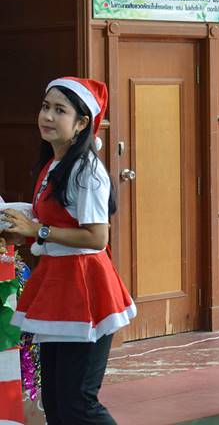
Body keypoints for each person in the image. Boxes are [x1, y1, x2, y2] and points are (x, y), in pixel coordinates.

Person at [1, 77, 136, 424]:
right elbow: (57, 224)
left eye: (60, 110)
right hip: (58, 287)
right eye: (45, 106)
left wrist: (37, 230)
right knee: (57, 402)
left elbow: (96, 237)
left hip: (85, 291)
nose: (47, 116)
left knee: (78, 403)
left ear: (81, 123)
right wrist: (24, 234)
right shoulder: (53, 165)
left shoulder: (87, 171)